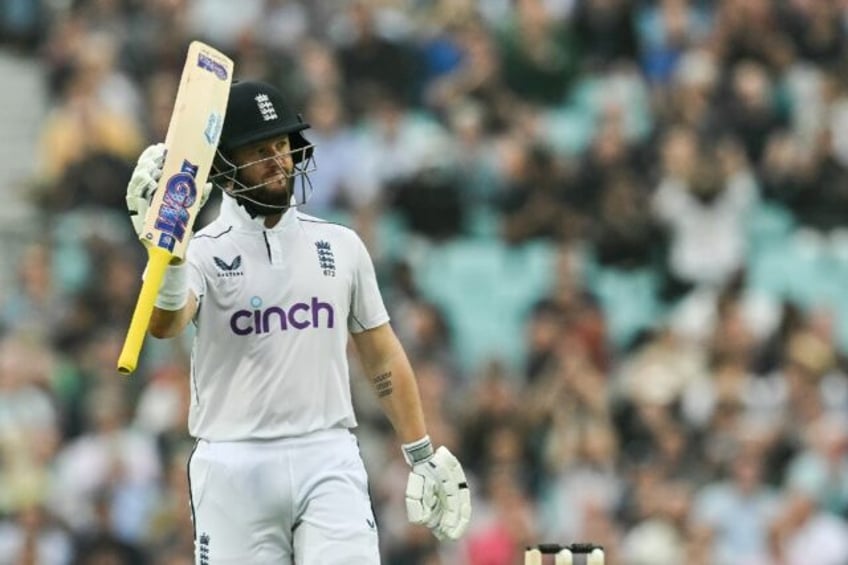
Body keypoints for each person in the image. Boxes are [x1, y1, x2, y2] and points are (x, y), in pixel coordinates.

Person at [124, 79, 471, 564]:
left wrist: (421, 451)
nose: (278, 159)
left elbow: (380, 351)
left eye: (282, 145)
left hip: (327, 454)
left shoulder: (341, 245)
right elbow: (166, 325)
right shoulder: (200, 251)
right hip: (233, 463)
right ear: (225, 167)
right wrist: (166, 255)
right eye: (259, 149)